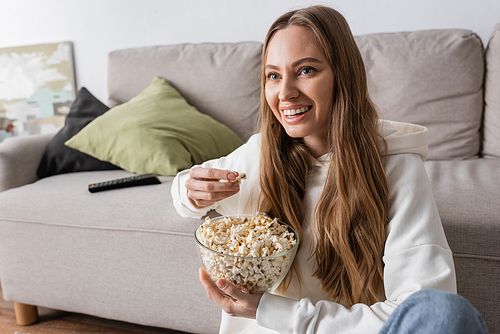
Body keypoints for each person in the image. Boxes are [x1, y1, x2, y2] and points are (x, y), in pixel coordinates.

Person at [172, 5, 488, 334]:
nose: (285, 93)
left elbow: (423, 306)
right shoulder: (260, 155)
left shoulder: (396, 166)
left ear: (343, 75)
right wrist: (189, 192)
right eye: (273, 76)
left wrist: (273, 310)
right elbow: (184, 188)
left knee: (446, 314)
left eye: (306, 70)